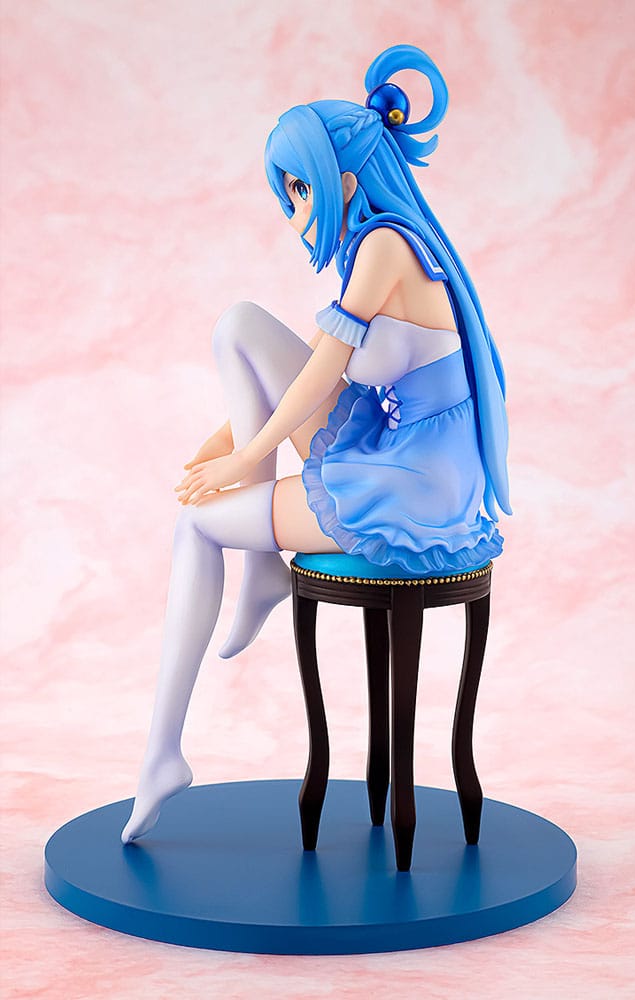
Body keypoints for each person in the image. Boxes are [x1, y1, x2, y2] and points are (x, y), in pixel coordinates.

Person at [120, 44, 511, 845]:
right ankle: (263, 566)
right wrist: (222, 443)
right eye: (286, 191)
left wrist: (242, 463)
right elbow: (307, 375)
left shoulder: (386, 248)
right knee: (238, 326)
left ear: (345, 179)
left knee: (196, 526)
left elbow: (323, 373)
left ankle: (162, 753)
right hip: (395, 447)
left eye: (301, 186)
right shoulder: (379, 246)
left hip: (416, 479)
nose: (294, 205)